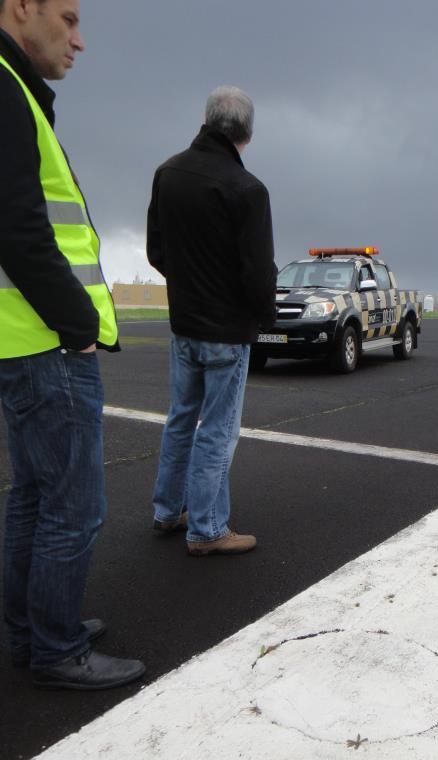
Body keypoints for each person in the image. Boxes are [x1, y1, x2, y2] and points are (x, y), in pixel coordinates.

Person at [0, 0, 144, 689]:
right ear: (22, 8)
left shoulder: (1, 80)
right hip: (44, 339)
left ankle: (34, 629)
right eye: (69, 19)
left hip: (18, 336)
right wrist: (77, 326)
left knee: (36, 495)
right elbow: (15, 224)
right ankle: (54, 646)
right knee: (74, 506)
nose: (80, 41)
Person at [147, 86, 276, 556]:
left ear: (206, 122)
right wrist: (264, 317)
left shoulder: (168, 173)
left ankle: (168, 510)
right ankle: (206, 529)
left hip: (184, 324)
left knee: (181, 419)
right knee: (218, 430)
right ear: (247, 132)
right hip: (226, 331)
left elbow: (156, 251)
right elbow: (258, 272)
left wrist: (190, 287)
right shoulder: (248, 190)